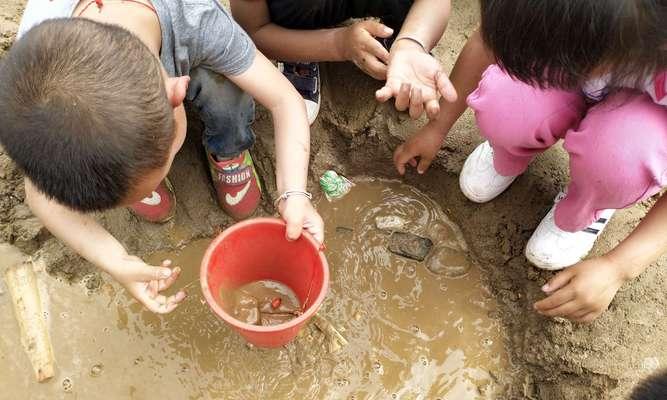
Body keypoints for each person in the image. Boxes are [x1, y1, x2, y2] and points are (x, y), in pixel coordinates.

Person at [0, 0, 324, 313]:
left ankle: (228, 150)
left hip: (186, 42)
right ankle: (137, 176)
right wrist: (118, 261)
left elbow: (286, 99)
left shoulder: (196, 18)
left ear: (176, 92)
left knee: (226, 87)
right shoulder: (33, 93)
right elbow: (38, 195)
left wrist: (294, 193)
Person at [394, 0, 666, 322]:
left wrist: (618, 267)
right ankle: (508, 154)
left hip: (644, 117)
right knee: (506, 100)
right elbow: (488, 41)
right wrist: (437, 127)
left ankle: (587, 205)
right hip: (587, 56)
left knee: (618, 160)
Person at [230, 0, 457, 124]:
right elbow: (253, 30)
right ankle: (300, 49)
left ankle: (394, 41)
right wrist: (338, 44)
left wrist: (412, 42)